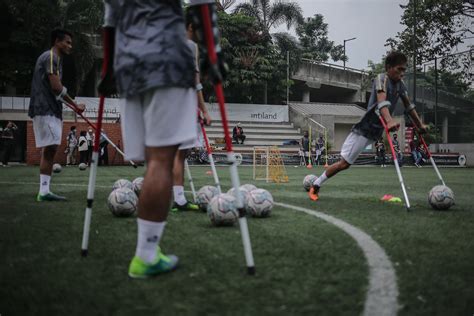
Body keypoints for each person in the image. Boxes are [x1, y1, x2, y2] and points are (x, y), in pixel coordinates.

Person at [99, 1, 198, 278]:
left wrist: (108, 68)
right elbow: (202, 6)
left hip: (128, 65)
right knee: (161, 162)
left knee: (155, 161)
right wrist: (213, 59)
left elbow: (110, 18)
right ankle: (146, 256)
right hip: (166, 60)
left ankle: (147, 252)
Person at [309, 51, 427, 201]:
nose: (402, 73)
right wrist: (390, 120)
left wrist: (419, 124)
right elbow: (382, 102)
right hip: (364, 129)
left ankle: (316, 184)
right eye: (399, 69)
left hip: (377, 130)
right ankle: (316, 185)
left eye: (404, 70)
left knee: (345, 164)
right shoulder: (381, 79)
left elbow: (409, 106)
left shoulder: (400, 85)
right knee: (344, 164)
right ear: (389, 67)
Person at [28, 28, 85, 201]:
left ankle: (44, 191)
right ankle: (44, 192)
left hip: (50, 108)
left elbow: (56, 89)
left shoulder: (56, 60)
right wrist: (75, 104)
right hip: (45, 108)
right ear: (57, 42)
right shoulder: (51, 56)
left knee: (50, 149)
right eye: (67, 42)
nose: (70, 46)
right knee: (51, 148)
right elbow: (56, 87)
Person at [171, 12, 212, 212]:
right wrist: (203, 110)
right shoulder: (190, 47)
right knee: (179, 154)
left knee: (177, 154)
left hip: (170, 102)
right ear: (189, 27)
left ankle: (177, 198)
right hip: (181, 103)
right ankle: (176, 199)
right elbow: (195, 83)